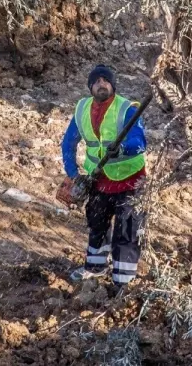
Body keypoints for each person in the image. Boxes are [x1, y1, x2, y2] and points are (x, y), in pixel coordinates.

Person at [58, 64, 147, 294]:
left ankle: (123, 281)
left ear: (113, 85)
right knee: (96, 222)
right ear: (90, 87)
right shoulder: (82, 109)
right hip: (99, 180)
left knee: (126, 228)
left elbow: (140, 143)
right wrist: (73, 175)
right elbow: (69, 143)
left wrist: (121, 150)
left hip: (130, 180)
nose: (101, 83)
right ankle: (95, 267)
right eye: (96, 81)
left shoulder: (127, 109)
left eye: (105, 80)